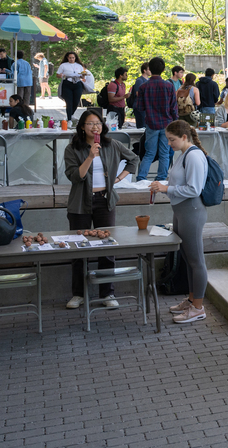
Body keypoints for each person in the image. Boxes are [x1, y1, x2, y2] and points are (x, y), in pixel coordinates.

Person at [63, 109, 139, 310]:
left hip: (105, 201)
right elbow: (75, 177)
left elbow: (134, 159)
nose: (95, 127)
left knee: (107, 247)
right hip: (80, 203)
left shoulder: (111, 144)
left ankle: (107, 292)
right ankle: (78, 294)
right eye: (90, 123)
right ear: (82, 127)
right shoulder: (73, 148)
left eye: (98, 123)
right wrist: (90, 156)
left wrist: (118, 179)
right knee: (79, 248)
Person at [150, 120, 210, 324]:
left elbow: (195, 189)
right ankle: (192, 300)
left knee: (196, 260)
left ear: (184, 137)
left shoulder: (193, 155)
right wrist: (164, 186)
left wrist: (166, 189)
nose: (169, 143)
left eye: (172, 139)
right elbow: (181, 183)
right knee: (187, 257)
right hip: (181, 209)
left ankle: (198, 308)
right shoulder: (184, 154)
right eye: (168, 139)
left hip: (191, 210)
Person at [134, 57, 179, 182]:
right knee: (164, 153)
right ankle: (161, 178)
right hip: (167, 125)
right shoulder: (169, 86)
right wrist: (175, 121)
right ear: (163, 69)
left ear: (150, 69)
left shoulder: (143, 87)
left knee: (149, 153)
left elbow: (140, 107)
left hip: (151, 124)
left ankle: (141, 178)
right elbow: (173, 108)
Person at [56, 52, 89, 121]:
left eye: (73, 58)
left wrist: (83, 75)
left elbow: (82, 75)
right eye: (70, 58)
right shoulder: (63, 65)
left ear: (75, 58)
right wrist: (61, 75)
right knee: (69, 102)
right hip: (67, 83)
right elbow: (57, 75)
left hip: (77, 83)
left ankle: (71, 114)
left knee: (76, 101)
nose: (71, 59)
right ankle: (69, 119)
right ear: (67, 58)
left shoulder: (79, 66)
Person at [130, 62, 151, 129]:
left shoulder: (149, 80)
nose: (151, 71)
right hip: (140, 106)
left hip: (147, 106)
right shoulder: (140, 80)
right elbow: (137, 93)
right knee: (141, 126)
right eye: (149, 69)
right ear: (144, 70)